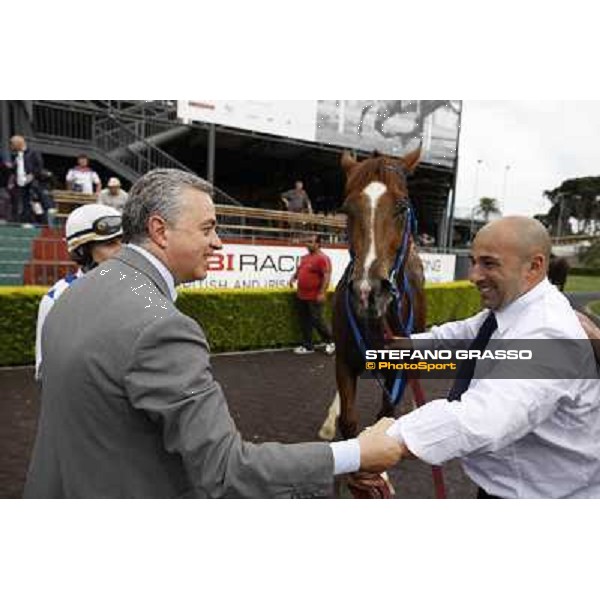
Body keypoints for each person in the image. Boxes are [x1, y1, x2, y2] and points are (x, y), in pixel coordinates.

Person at [24, 168, 401, 498]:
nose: (217, 242)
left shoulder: (69, 294)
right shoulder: (162, 328)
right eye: (207, 228)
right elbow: (226, 470)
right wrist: (356, 453)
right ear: (159, 231)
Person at [386, 216, 600, 498]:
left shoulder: (549, 331)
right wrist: (385, 352)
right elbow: (457, 336)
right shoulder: (510, 309)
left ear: (534, 267)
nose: (473, 276)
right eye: (473, 262)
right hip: (512, 485)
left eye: (488, 263)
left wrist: (375, 445)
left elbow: (479, 419)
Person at [34, 203, 123, 381]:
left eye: (123, 241)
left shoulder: (140, 289)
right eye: (110, 243)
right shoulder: (57, 298)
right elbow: (47, 371)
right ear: (82, 252)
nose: (122, 250)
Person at [289, 234, 335, 355]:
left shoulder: (322, 258)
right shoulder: (305, 258)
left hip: (314, 296)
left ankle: (331, 342)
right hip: (301, 295)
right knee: (305, 321)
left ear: (318, 244)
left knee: (318, 320)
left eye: (310, 242)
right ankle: (308, 346)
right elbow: (300, 270)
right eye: (307, 241)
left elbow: (327, 275)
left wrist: (322, 293)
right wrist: (293, 278)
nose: (307, 244)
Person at [4, 135, 44, 223]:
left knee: (35, 203)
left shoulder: (33, 153)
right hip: (19, 182)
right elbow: (16, 169)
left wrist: (32, 175)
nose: (11, 146)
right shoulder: (16, 155)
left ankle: (40, 222)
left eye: (13, 144)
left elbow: (39, 167)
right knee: (22, 203)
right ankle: (23, 222)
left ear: (19, 144)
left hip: (31, 182)